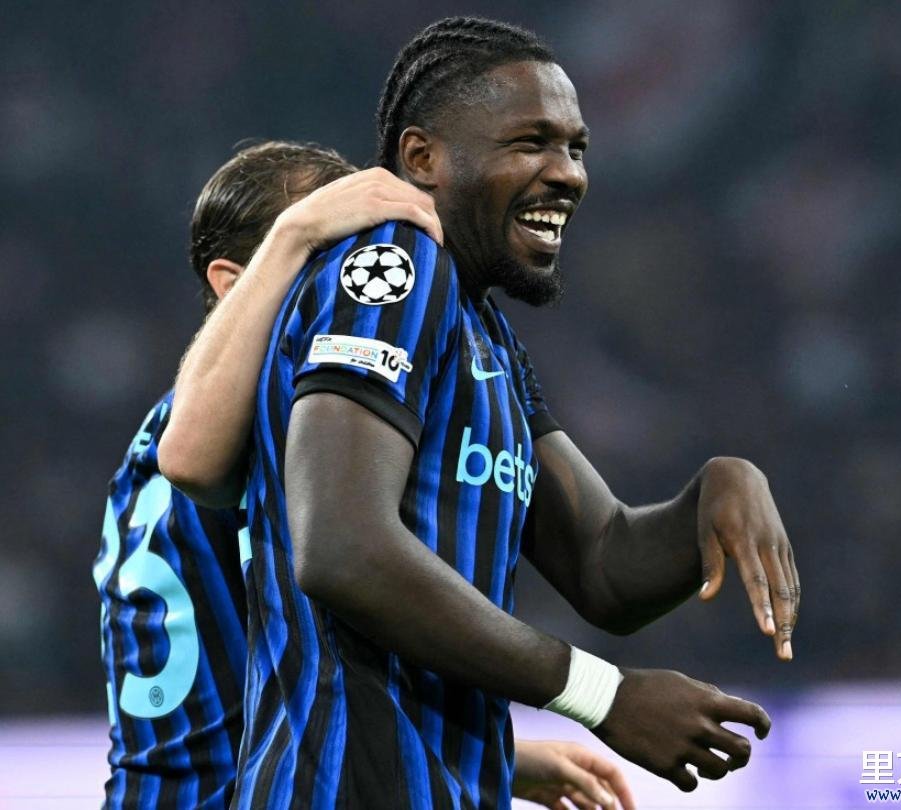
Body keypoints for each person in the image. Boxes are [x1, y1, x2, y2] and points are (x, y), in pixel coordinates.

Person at [159, 16, 798, 809]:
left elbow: (602, 566)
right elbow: (342, 549)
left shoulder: (481, 329)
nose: (566, 174)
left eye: (576, 148)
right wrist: (601, 694)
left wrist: (716, 491)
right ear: (422, 158)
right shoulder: (394, 265)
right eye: (530, 143)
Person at [96, 140, 633, 810]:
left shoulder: (160, 430)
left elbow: (249, 674)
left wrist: (509, 760)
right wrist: (593, 692)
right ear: (234, 282)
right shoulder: (241, 433)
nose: (356, 289)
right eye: (328, 254)